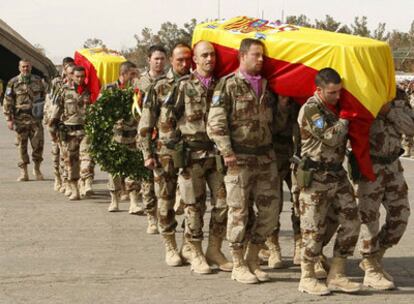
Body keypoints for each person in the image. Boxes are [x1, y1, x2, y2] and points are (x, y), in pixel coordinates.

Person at [207, 38, 288, 284]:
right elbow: (215, 123)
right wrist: (227, 152)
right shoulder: (228, 85)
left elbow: (276, 125)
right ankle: (239, 262)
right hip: (238, 159)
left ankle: (254, 257)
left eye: (262, 55)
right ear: (243, 56)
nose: (261, 59)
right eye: (256, 55)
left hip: (265, 158)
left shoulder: (267, 86)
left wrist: (283, 106)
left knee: (270, 211)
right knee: (238, 213)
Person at [297, 68, 361, 295]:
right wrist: (345, 118)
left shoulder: (333, 107)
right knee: (313, 229)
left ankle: (337, 273)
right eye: (332, 92)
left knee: (352, 221)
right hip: (316, 177)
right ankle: (307, 277)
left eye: (339, 92)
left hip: (337, 175)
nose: (337, 96)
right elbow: (331, 138)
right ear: (319, 90)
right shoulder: (312, 109)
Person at [174, 41, 231, 274]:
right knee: (193, 206)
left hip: (216, 155)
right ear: (194, 60)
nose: (210, 59)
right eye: (204, 56)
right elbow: (167, 120)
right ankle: (193, 250)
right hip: (191, 154)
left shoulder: (223, 85)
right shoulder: (183, 86)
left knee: (223, 204)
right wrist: (173, 153)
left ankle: (214, 249)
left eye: (212, 55)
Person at [138, 42, 192, 266]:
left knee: (193, 202)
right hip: (165, 153)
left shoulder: (197, 84)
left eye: (188, 59)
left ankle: (189, 245)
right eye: (179, 60)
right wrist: (146, 154)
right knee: (166, 201)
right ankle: (170, 246)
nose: (184, 63)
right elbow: (146, 123)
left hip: (192, 151)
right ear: (172, 60)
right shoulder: (159, 87)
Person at [357, 88, 413, 290]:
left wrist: (389, 111)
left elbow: (411, 127)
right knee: (369, 217)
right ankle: (370, 267)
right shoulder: (362, 90)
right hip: (369, 166)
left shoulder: (398, 95)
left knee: (401, 216)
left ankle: (375, 256)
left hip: (393, 165)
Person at [103, 61, 148, 217]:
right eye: (133, 74)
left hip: (133, 136)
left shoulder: (137, 91)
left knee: (133, 169)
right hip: (115, 137)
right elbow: (101, 111)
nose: (136, 77)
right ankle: (114, 199)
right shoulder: (109, 89)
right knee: (114, 170)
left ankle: (134, 202)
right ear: (124, 74)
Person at [135, 45, 167, 233]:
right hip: (146, 134)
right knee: (147, 179)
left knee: (164, 179)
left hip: (164, 136)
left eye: (162, 58)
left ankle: (164, 216)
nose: (159, 62)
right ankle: (151, 217)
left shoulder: (171, 82)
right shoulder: (140, 82)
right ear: (149, 60)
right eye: (156, 58)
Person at [50, 66, 91, 200]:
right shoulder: (63, 91)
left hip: (85, 131)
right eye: (77, 76)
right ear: (72, 76)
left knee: (86, 158)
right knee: (71, 162)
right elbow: (56, 111)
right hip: (69, 132)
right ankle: (74, 189)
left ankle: (85, 181)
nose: (80, 79)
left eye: (82, 76)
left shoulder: (89, 91)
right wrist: (53, 129)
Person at [3, 59, 45, 181]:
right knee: (22, 146)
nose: (25, 69)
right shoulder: (13, 82)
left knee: (38, 145)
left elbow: (44, 98)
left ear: (31, 67)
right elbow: (8, 100)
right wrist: (8, 118)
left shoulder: (38, 81)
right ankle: (23, 172)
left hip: (35, 119)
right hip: (20, 119)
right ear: (19, 68)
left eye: (27, 67)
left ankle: (37, 169)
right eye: (23, 67)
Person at [43, 57, 75, 191]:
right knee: (56, 153)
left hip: (68, 125)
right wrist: (49, 122)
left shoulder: (76, 86)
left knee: (67, 155)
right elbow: (50, 103)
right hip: (56, 122)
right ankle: (58, 177)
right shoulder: (57, 84)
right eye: (68, 69)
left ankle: (68, 181)